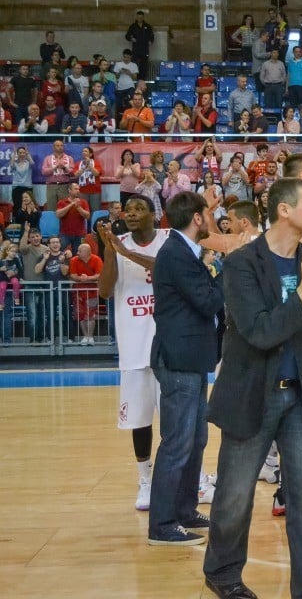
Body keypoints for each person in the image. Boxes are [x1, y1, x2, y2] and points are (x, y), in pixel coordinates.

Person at [203, 178, 302, 599]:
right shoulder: (242, 263)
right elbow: (259, 332)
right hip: (251, 395)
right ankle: (223, 575)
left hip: (301, 398)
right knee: (234, 498)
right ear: (283, 210)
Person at [147, 191, 224, 547]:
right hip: (178, 359)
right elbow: (208, 300)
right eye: (207, 213)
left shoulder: (183, 252)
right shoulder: (176, 254)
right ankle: (162, 524)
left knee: (196, 438)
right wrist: (228, 269)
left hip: (189, 358)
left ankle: (184, 509)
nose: (211, 219)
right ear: (196, 218)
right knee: (178, 441)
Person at [97, 195, 169, 511]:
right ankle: (145, 480)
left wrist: (127, 253)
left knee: (175, 422)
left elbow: (168, 270)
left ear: (155, 215)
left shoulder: (168, 240)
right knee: (139, 421)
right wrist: (113, 252)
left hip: (168, 346)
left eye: (140, 209)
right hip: (134, 346)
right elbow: (104, 290)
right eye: (128, 210)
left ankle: (181, 479)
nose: (132, 213)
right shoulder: (118, 243)